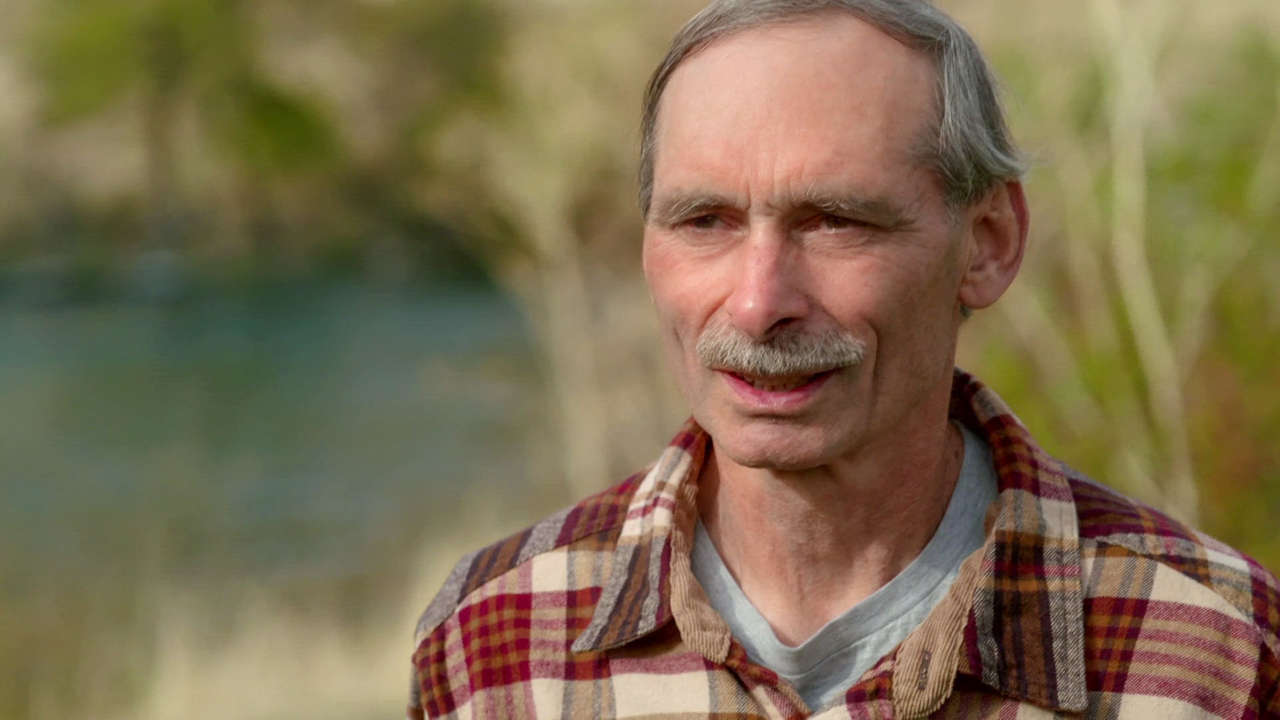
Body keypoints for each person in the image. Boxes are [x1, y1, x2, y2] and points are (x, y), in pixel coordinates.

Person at [408, 1, 1280, 717]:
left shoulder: (1218, 657)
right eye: (705, 221)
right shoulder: (494, 645)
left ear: (987, 243)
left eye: (835, 221)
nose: (759, 303)